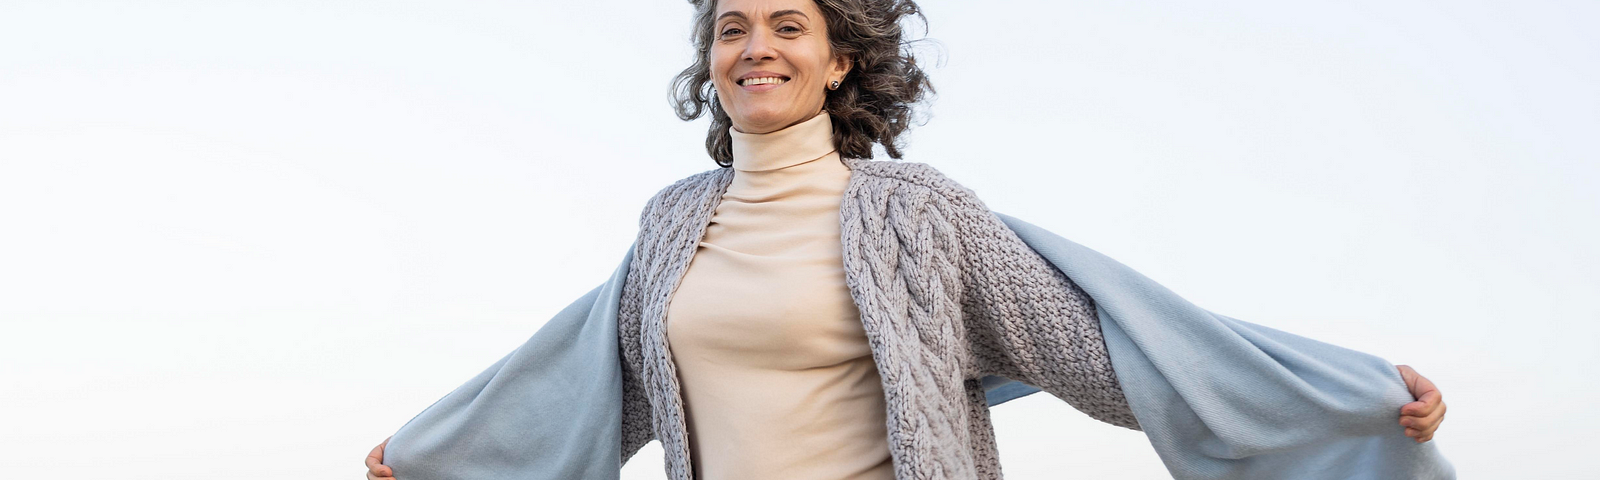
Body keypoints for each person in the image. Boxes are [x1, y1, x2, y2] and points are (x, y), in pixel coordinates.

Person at [364, 0, 1447, 478]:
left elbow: (1100, 347)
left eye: (788, 26)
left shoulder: (911, 214)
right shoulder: (672, 224)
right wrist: (436, 455)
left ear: (839, 61)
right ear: (710, 62)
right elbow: (587, 382)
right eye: (731, 28)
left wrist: (1340, 388)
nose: (755, 48)